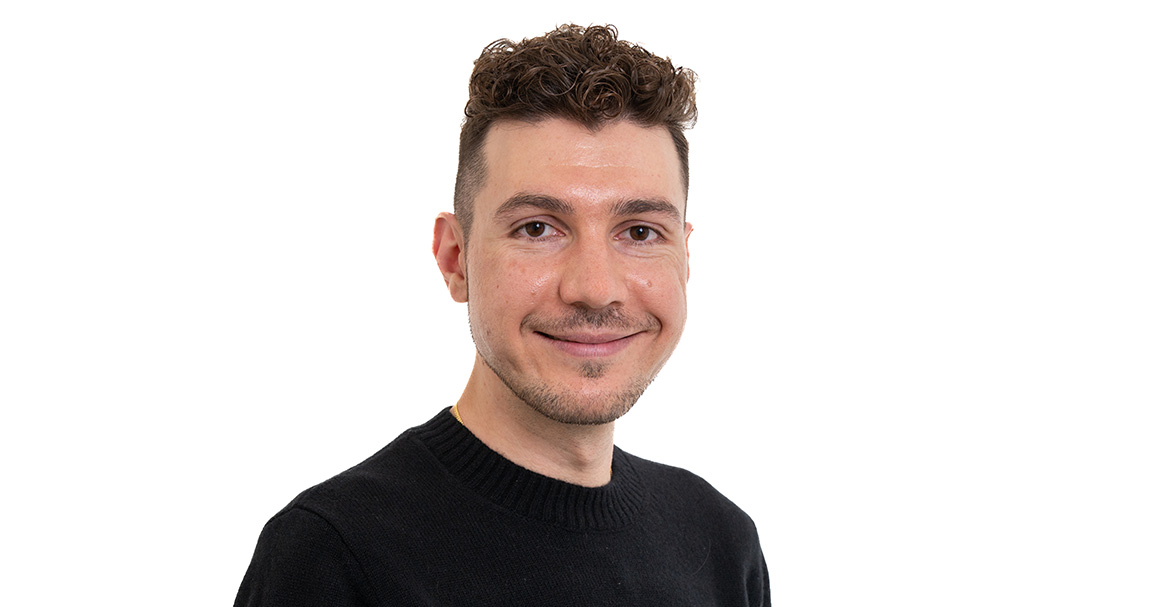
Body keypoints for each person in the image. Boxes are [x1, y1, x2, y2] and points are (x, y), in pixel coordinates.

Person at [234, 24, 769, 605]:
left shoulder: (721, 541)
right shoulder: (334, 554)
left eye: (640, 232)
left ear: (685, 258)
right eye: (537, 228)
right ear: (455, 259)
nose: (595, 289)